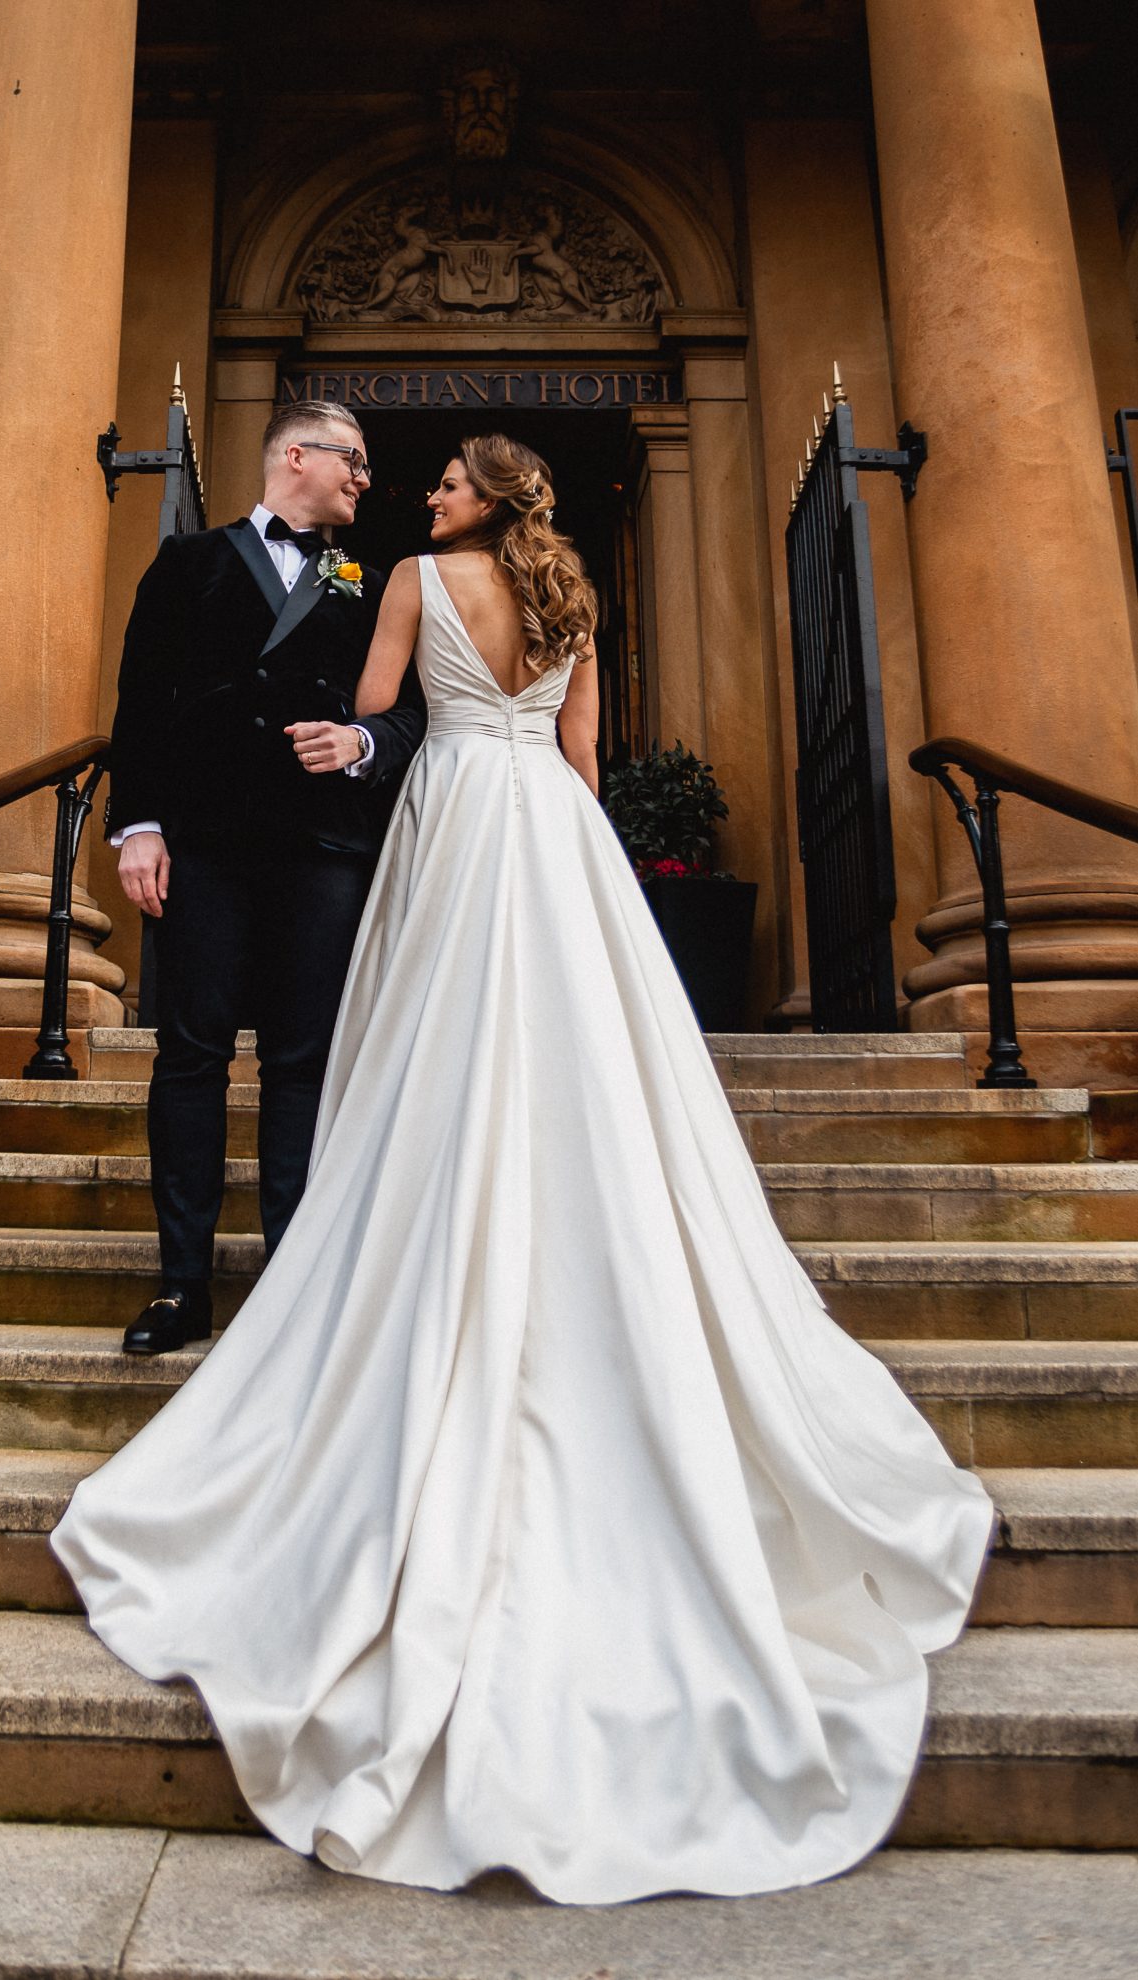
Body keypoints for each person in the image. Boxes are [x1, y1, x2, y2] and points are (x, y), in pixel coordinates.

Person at [53, 434, 993, 1903]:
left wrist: (370, 737)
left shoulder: (415, 581)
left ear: (479, 497)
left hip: (452, 829)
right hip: (553, 837)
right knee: (585, 1049)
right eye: (384, 474)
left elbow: (376, 718)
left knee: (427, 1045)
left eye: (438, 481)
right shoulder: (573, 599)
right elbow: (585, 761)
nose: (413, 493)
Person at [107, 401, 425, 1354]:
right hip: (203, 844)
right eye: (353, 460)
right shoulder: (188, 563)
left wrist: (362, 740)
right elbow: (140, 702)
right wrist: (141, 825)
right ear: (297, 455)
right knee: (191, 1054)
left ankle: (291, 1283)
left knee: (302, 1062)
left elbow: (416, 710)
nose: (365, 478)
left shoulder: (376, 580)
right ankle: (181, 1286)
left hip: (319, 848)